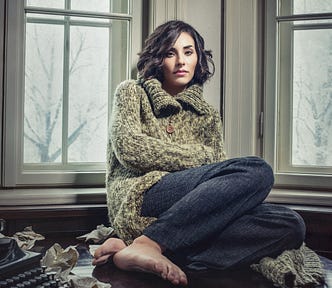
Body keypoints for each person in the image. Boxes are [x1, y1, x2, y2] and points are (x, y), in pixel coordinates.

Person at [92, 20, 305, 286]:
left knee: (291, 224)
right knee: (258, 169)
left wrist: (204, 168)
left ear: (198, 59)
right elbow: (131, 150)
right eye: (170, 53)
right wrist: (200, 156)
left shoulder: (208, 115)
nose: (181, 60)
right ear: (158, 58)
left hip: (186, 215)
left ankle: (139, 249)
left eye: (188, 52)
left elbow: (218, 187)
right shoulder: (131, 92)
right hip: (140, 197)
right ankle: (148, 243)